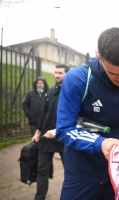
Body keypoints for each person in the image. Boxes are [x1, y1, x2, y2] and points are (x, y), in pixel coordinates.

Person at [55, 27, 119, 200]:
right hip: (82, 172)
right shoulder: (78, 80)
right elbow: (65, 129)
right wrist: (101, 143)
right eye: (114, 73)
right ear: (99, 59)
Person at [32, 64, 70, 200]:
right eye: (55, 72)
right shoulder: (50, 91)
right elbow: (44, 112)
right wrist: (37, 132)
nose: (57, 75)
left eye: (60, 73)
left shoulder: (70, 91)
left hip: (63, 136)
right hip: (46, 136)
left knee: (70, 172)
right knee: (42, 170)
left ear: (67, 74)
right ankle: (39, 197)